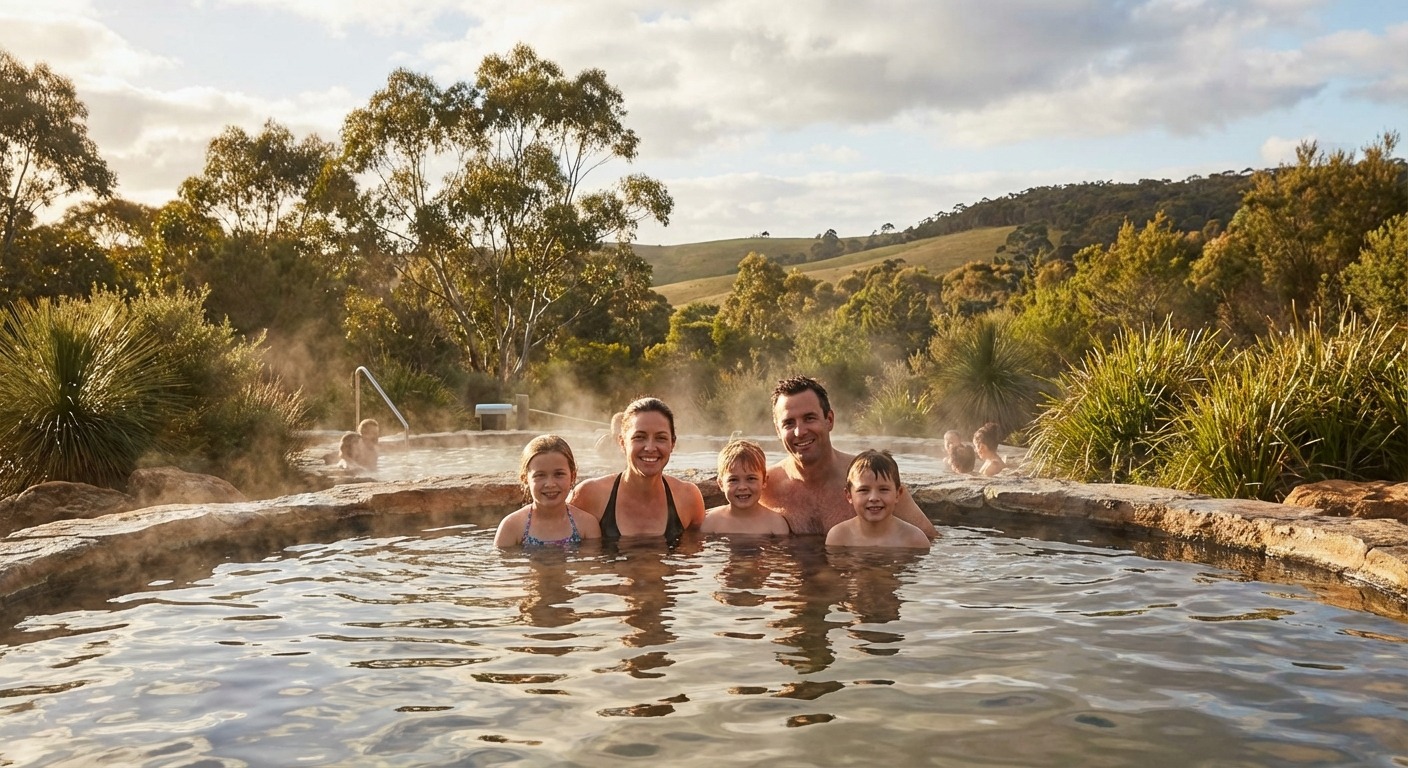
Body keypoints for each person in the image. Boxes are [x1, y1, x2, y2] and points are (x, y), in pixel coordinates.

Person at [760, 376, 938, 538]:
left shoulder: (870, 479)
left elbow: (930, 541)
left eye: (809, 418)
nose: (800, 432)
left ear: (829, 420)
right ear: (778, 430)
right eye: (789, 423)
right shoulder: (764, 488)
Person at [568, 397, 705, 541]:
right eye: (639, 437)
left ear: (673, 443)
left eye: (661, 438)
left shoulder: (688, 497)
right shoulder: (590, 495)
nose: (650, 448)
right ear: (622, 442)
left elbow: (693, 556)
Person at [495, 435, 601, 547]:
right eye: (540, 475)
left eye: (559, 474)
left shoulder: (586, 525)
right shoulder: (512, 527)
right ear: (525, 479)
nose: (550, 484)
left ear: (573, 476)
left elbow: (590, 564)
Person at [825, 450, 930, 550]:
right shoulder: (839, 537)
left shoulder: (914, 540)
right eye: (864, 490)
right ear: (849, 496)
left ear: (898, 494)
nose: (874, 498)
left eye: (883, 489)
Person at [703, 439, 790, 536]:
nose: (742, 487)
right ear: (721, 483)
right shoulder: (710, 521)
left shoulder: (776, 524)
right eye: (733, 480)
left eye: (751, 478)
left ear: (764, 481)